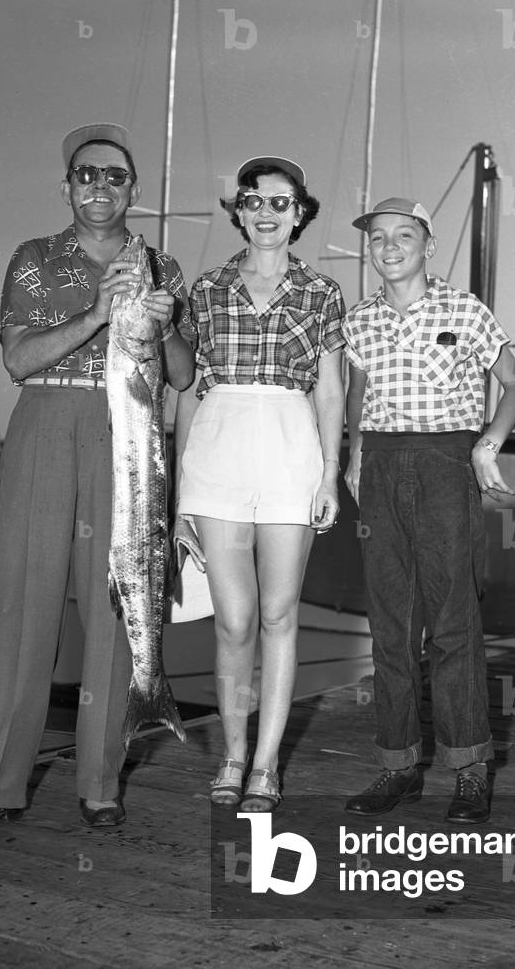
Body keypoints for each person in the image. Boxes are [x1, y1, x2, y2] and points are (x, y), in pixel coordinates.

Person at [0, 123, 195, 838]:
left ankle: (100, 780)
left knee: (121, 607)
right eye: (87, 175)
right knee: (22, 605)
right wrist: (97, 314)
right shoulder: (33, 260)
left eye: (115, 175)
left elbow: (181, 372)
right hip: (47, 423)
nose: (101, 186)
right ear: (68, 186)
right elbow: (18, 360)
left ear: (133, 188)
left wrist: (164, 322)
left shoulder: (163, 267)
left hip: (131, 435)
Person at [342, 197, 515, 823]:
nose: (389, 246)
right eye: (377, 237)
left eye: (403, 235)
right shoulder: (359, 320)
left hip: (447, 463)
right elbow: (357, 394)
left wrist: (487, 444)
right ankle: (397, 765)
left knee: (452, 623)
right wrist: (353, 456)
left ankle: (470, 768)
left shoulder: (465, 310)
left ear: (427, 243)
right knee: (390, 623)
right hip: (381, 467)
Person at [173, 156, 345, 812]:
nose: (267, 214)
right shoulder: (207, 289)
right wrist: (180, 493)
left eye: (280, 203)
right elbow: (187, 391)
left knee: (278, 614)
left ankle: (265, 766)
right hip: (218, 445)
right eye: (254, 202)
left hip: (290, 445)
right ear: (238, 211)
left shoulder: (323, 292)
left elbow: (330, 391)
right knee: (235, 621)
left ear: (299, 213)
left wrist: (330, 471)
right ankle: (232, 753)